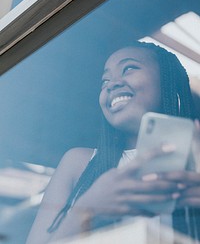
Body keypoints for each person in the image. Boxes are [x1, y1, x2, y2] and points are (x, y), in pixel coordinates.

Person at [26, 41, 200, 244]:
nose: (112, 84)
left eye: (129, 68)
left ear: (167, 81)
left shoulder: (196, 154)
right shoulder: (78, 162)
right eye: (105, 80)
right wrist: (89, 208)